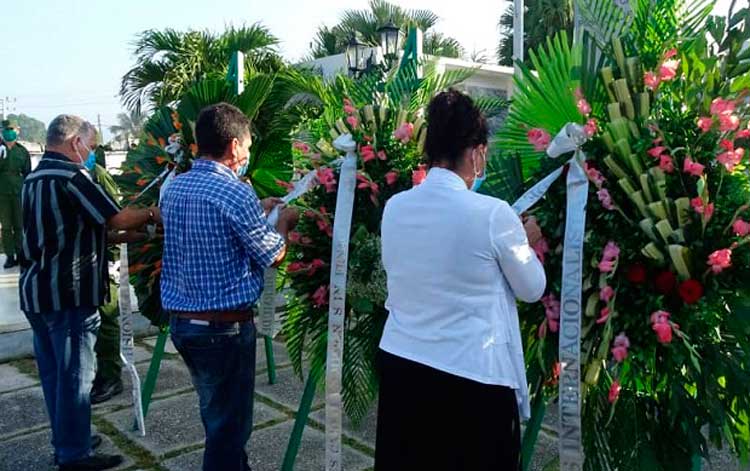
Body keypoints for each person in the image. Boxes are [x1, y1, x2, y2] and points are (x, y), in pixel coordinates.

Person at [376, 89, 547, 471]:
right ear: (475, 152)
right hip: (471, 376)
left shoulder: (395, 207)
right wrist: (526, 240)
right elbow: (532, 289)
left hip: (404, 366)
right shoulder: (492, 214)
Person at [160, 103, 298, 471]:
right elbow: (273, 254)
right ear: (235, 146)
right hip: (224, 329)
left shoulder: (175, 188)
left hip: (185, 324)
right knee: (228, 427)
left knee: (216, 415)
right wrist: (283, 222)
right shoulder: (233, 192)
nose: (247, 156)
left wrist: (259, 207)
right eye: (248, 149)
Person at [19, 114, 160, 471]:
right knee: (75, 379)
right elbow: (116, 219)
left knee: (54, 377)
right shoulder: (72, 176)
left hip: (38, 293)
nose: (92, 153)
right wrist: (152, 213)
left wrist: (139, 237)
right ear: (75, 143)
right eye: (92, 146)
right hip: (69, 294)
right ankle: (74, 456)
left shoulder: (33, 178)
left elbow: (86, 231)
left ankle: (69, 439)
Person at [0, 119, 31, 269]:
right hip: (2, 192)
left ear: (17, 131)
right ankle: (10, 256)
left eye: (12, 129)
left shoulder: (22, 151)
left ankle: (20, 254)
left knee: (19, 225)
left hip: (19, 191)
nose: (9, 131)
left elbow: (27, 173)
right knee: (6, 226)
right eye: (7, 129)